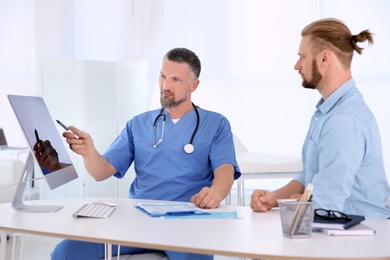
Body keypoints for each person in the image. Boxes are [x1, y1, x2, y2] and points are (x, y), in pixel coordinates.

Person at [51, 47, 241, 260]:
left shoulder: (216, 124)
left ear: (193, 85)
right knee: (65, 252)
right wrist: (89, 153)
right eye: (162, 76)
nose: (165, 86)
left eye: (176, 80)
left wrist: (215, 192)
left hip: (187, 223)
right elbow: (101, 171)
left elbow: (225, 169)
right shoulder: (138, 124)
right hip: (137, 220)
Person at [250, 18, 390, 219]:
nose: (296, 66)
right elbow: (312, 176)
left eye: (302, 57)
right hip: (337, 228)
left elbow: (325, 204)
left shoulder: (344, 120)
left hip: (359, 235)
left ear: (324, 59)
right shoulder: (327, 112)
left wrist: (299, 200)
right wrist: (274, 197)